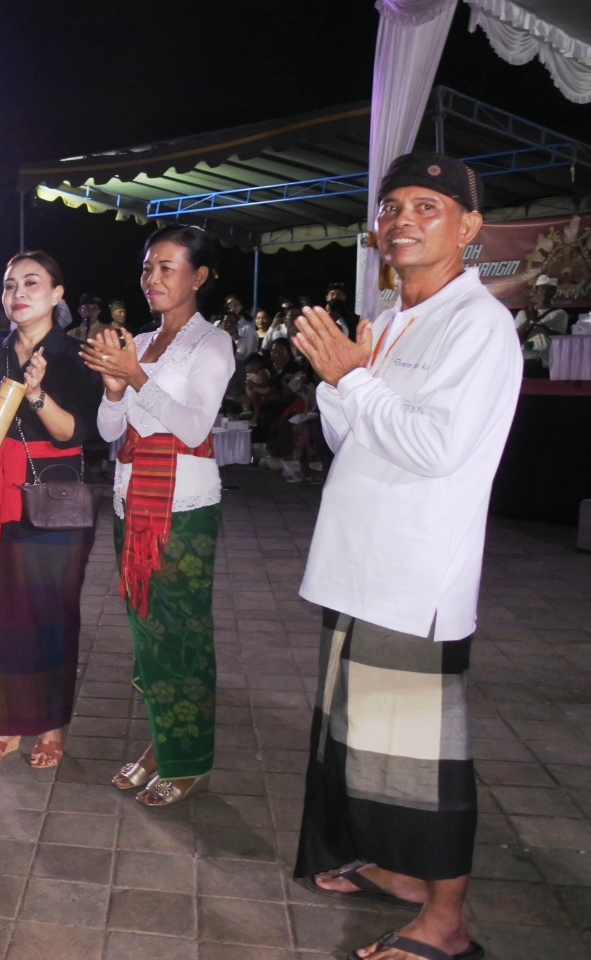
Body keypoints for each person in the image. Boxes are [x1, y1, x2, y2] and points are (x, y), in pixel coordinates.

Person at [291, 152, 518, 960]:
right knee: (360, 743)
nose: (404, 220)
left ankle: (447, 925)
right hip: (357, 565)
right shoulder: (388, 322)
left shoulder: (477, 325)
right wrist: (335, 381)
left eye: (428, 205)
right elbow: (350, 438)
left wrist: (353, 378)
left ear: (470, 227)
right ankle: (386, 865)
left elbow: (434, 447)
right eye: (392, 206)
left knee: (423, 764)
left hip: (413, 577)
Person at [82, 224, 234, 807]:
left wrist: (136, 376)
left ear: (199, 276)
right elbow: (109, 430)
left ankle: (189, 760)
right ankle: (163, 742)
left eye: (168, 268)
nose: (153, 279)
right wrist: (114, 389)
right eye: (148, 267)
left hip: (183, 509)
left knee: (182, 635)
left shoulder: (212, 344)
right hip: (130, 499)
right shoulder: (138, 339)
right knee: (148, 634)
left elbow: (194, 427)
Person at [0, 252, 102, 768]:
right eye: (9, 285)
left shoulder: (77, 355)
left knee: (50, 616)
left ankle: (50, 727)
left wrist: (38, 394)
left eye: (32, 282)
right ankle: (6, 726)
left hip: (55, 498)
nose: (17, 292)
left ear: (58, 294)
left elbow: (76, 432)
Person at [514, 274, 568, 377]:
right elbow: (516, 337)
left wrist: (537, 322)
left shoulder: (559, 313)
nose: (545, 292)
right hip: (523, 359)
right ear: (536, 290)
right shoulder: (523, 313)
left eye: (550, 290)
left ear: (554, 292)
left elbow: (557, 338)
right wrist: (528, 320)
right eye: (542, 289)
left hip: (545, 361)